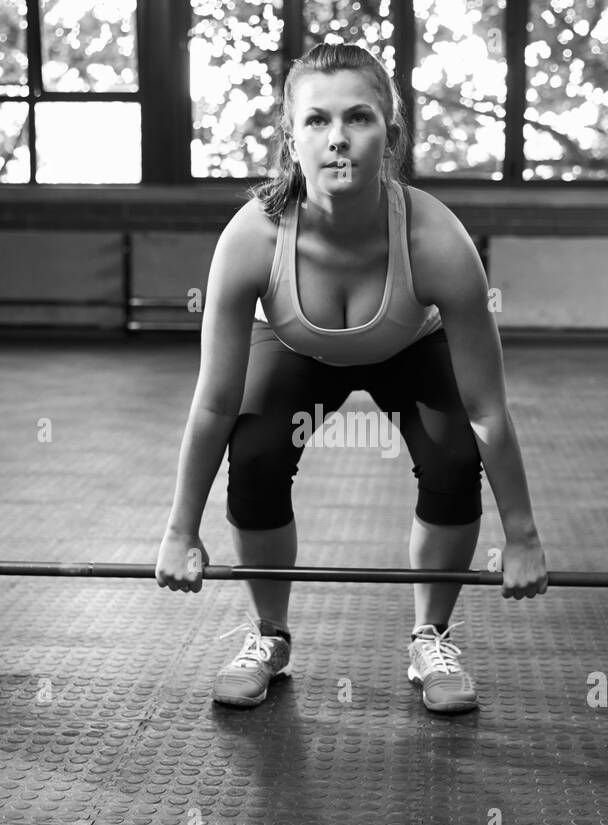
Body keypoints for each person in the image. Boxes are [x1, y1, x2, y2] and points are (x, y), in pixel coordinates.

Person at [156, 42, 547, 714]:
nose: (337, 139)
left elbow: (486, 412)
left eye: (359, 118)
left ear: (391, 136)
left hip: (410, 347)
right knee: (253, 453)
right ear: (290, 138)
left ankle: (431, 637)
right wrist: (179, 529)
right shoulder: (252, 238)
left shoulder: (437, 241)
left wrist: (523, 537)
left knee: (455, 460)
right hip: (293, 346)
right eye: (316, 121)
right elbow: (215, 404)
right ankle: (270, 636)